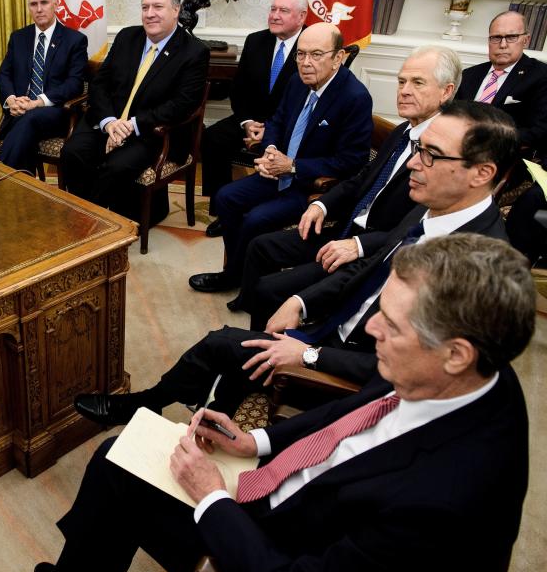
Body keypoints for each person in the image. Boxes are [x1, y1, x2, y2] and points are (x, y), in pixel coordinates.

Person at [35, 232, 534, 572]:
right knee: (120, 454)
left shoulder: (438, 505)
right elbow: (349, 414)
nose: (374, 329)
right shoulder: (473, 375)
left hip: (282, 547)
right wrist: (256, 444)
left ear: (456, 353)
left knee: (115, 473)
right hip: (284, 481)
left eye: (394, 324)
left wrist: (211, 497)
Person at [74, 100, 516, 425]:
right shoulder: (432, 206)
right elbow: (368, 272)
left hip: (353, 366)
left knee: (229, 348)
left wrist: (307, 354)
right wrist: (302, 303)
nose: (414, 164)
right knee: (233, 341)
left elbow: (401, 378)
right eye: (419, 149)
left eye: (432, 155)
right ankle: (194, 412)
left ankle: (191, 417)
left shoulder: (478, 269)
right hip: (332, 328)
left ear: (483, 173)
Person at [233, 45, 461, 324]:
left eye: (418, 83)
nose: (404, 90)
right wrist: (322, 204)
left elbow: (420, 227)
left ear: (446, 92)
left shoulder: (446, 151)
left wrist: (359, 245)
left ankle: (268, 350)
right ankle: (254, 312)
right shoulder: (404, 131)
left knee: (270, 289)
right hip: (346, 228)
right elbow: (362, 179)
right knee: (260, 246)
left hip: (378, 253)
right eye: (402, 81)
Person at [188, 23, 372, 294]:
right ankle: (236, 272)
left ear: (338, 58)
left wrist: (294, 166)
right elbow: (277, 119)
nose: (305, 63)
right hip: (278, 171)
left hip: (310, 186)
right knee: (226, 198)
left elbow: (352, 161)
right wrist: (271, 149)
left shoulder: (354, 97)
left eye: (316, 54)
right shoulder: (297, 81)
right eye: (301, 54)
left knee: (256, 219)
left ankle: (246, 286)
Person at [59, 0, 209, 223]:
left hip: (152, 131)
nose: (149, 14)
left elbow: (182, 104)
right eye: (145, 7)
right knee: (73, 153)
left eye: (158, 7)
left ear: (176, 10)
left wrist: (131, 125)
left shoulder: (193, 52)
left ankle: (90, 223)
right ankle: (90, 216)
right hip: (109, 121)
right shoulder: (127, 37)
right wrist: (109, 123)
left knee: (116, 166)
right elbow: (100, 84)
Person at [201, 0, 306, 235]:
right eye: (273, 9)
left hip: (288, 127)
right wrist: (247, 122)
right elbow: (238, 89)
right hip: (250, 119)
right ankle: (222, 211)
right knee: (212, 138)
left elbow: (305, 102)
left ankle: (268, 209)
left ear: (301, 17)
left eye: (283, 11)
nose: (275, 16)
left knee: (278, 154)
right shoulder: (256, 40)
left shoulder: (311, 47)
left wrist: (269, 129)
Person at [0, 0, 87, 173]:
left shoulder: (74, 40)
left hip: (56, 112)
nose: (39, 9)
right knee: (26, 127)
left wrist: (37, 102)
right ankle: (24, 193)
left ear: (55, 4)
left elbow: (74, 84)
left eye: (44, 3)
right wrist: (11, 100)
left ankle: (0, 177)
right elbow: (4, 74)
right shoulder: (18, 37)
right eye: (33, 4)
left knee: (30, 118)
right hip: (18, 112)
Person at [455, 10, 547, 159]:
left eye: (511, 37)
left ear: (526, 40)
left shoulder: (541, 76)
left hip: (503, 155)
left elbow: (540, 131)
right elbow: (453, 115)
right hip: (455, 148)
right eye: (496, 38)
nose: (503, 45)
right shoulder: (469, 75)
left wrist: (485, 140)